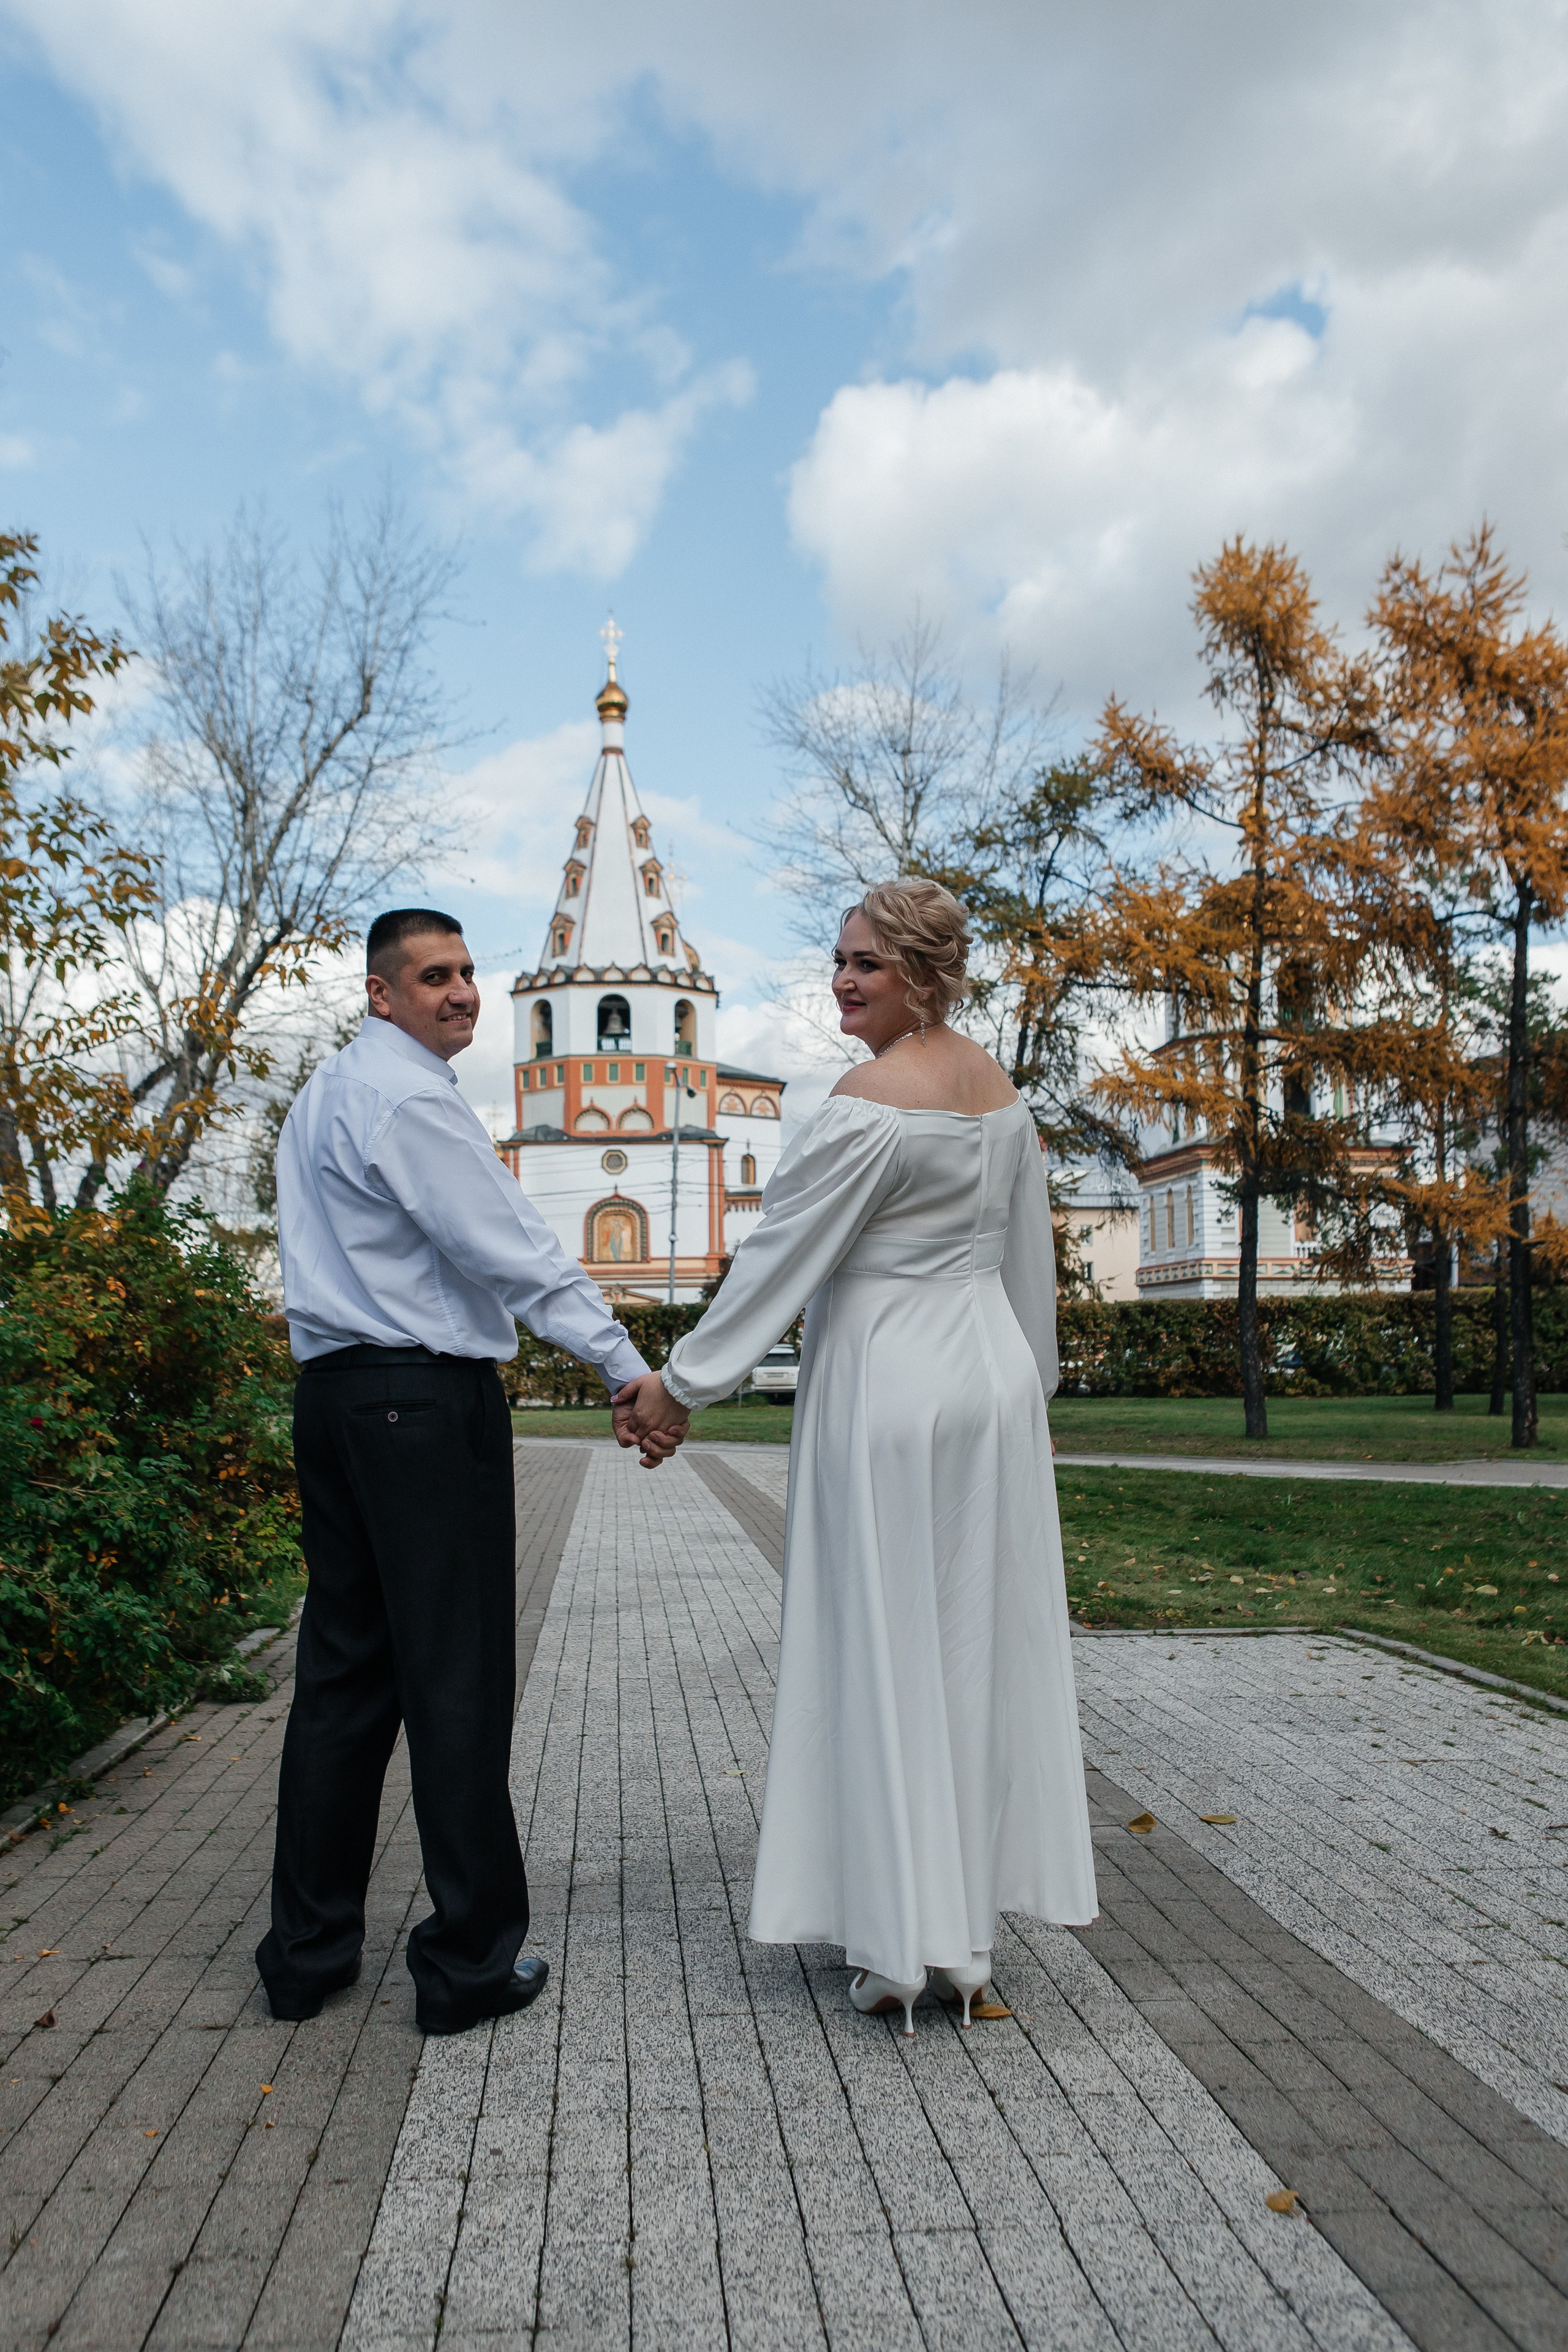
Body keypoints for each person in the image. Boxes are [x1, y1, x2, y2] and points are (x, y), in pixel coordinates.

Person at [618, 876, 1097, 2034]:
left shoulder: (869, 1100)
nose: (843, 979)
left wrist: (677, 1386)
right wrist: (1026, 1386)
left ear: (921, 973)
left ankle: (898, 1944)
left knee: (887, 1646)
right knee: (970, 1645)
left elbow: (779, 1261)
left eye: (867, 964)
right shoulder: (1003, 1094)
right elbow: (1025, 1270)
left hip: (890, 1385)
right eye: (840, 960)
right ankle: (965, 1941)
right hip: (985, 1384)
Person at [260, 908, 679, 2037]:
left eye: (467, 972)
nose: (459, 993)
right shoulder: (409, 1103)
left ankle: (305, 1957)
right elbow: (515, 1250)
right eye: (431, 977)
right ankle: (466, 1966)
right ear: (379, 994)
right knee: (456, 1679)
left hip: (337, 1400)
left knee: (345, 1678)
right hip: (418, 1405)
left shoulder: (324, 1097)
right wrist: (624, 1366)